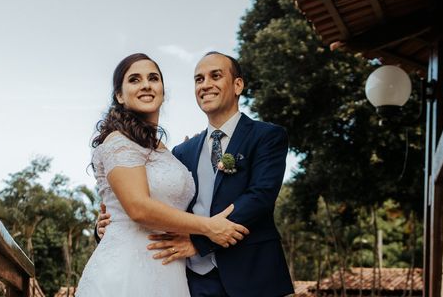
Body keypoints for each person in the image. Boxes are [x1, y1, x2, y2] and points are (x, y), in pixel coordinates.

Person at [97, 52, 294, 297]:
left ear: (238, 85)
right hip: (193, 281)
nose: (206, 84)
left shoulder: (267, 136)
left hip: (253, 275)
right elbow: (153, 200)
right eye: (199, 79)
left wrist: (200, 242)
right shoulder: (182, 152)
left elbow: (261, 196)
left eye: (216, 76)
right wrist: (109, 224)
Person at [76, 53, 249, 297]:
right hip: (128, 272)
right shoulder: (118, 142)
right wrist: (208, 228)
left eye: (153, 78)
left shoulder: (170, 153)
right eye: (134, 80)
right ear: (119, 95)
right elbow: (138, 208)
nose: (146, 84)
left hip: (172, 273)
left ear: (163, 91)